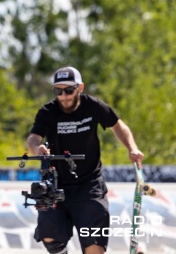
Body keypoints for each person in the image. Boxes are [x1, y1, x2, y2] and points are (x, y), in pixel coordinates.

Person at [27, 67, 144, 254]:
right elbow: (33, 138)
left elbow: (118, 126)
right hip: (56, 184)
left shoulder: (94, 106)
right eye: (58, 91)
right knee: (49, 234)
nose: (63, 96)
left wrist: (132, 148)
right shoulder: (48, 112)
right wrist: (36, 149)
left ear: (80, 88)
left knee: (95, 246)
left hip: (89, 184)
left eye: (69, 90)